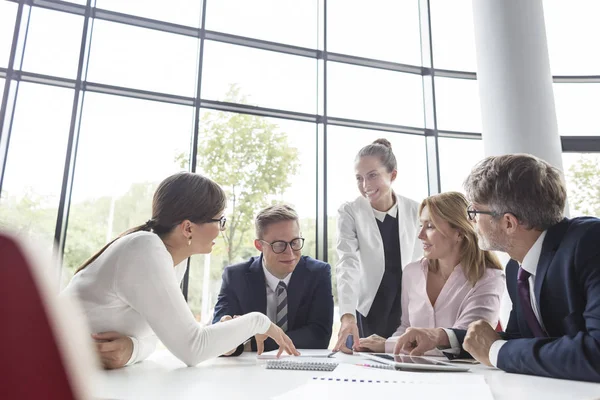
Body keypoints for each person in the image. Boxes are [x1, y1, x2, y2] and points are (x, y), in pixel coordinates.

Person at [394, 154, 600, 382]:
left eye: (474, 213)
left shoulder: (590, 242)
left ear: (508, 223)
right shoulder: (516, 269)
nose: (471, 222)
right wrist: (442, 337)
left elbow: (596, 352)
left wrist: (496, 352)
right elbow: (517, 339)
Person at [61, 172, 298, 369]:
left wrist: (132, 348)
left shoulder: (173, 259)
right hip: (40, 360)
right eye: (220, 221)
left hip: (76, 371)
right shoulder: (145, 249)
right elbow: (193, 349)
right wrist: (259, 321)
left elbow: (158, 338)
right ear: (187, 228)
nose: (221, 230)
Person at [357, 192, 505, 353]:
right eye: (421, 225)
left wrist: (388, 345)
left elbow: (466, 338)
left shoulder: (489, 279)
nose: (420, 235)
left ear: (459, 232)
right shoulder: (411, 273)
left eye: (430, 226)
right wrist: (387, 348)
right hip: (413, 371)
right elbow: (406, 328)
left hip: (464, 375)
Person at [334, 138, 423, 354]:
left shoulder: (416, 210)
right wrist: (347, 315)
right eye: (359, 178)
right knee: (364, 369)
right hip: (368, 308)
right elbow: (348, 262)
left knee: (407, 363)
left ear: (393, 175)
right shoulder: (350, 211)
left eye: (372, 175)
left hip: (408, 308)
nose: (365, 186)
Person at [213, 204, 333, 355]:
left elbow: (319, 336)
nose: (290, 253)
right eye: (279, 245)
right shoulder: (235, 277)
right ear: (259, 245)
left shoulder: (318, 273)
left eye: (295, 242)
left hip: (301, 367)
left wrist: (252, 344)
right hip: (248, 370)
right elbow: (219, 335)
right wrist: (226, 337)